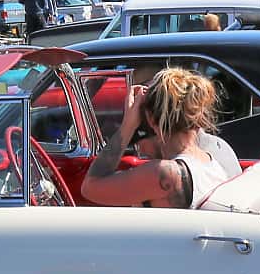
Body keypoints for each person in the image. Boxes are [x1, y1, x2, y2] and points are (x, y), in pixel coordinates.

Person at [80, 67, 234, 209]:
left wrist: (128, 125)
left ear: (151, 119)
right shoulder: (212, 162)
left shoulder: (165, 173)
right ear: (198, 118)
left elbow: (90, 187)